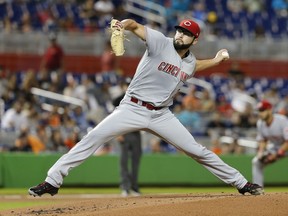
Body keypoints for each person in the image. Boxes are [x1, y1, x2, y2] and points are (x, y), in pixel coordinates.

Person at [28, 18, 263, 197]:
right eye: (180, 30)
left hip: (161, 115)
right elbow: (135, 26)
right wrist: (122, 25)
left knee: (198, 151)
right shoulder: (160, 42)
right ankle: (52, 181)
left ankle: (242, 183)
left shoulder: (189, 62)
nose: (180, 35)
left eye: (187, 33)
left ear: (195, 40)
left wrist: (217, 59)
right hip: (132, 107)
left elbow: (196, 66)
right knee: (92, 137)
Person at [112, 79, 142, 197]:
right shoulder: (119, 99)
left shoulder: (140, 97)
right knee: (124, 162)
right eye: (126, 84)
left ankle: (134, 187)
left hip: (136, 133)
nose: (128, 86)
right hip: (124, 132)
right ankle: (125, 187)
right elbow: (114, 115)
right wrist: (117, 133)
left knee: (135, 161)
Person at [252, 100, 288, 187]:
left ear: (269, 110)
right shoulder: (260, 123)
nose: (260, 113)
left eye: (262, 110)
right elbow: (263, 140)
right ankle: (258, 188)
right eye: (259, 111)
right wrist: (260, 152)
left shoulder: (281, 120)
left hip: (284, 146)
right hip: (276, 147)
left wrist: (276, 155)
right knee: (257, 161)